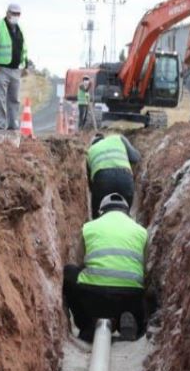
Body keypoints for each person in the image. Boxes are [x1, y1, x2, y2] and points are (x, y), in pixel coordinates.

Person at [63, 193, 148, 343]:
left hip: (94, 297)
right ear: (127, 214)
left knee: (69, 272)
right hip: (130, 296)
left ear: (101, 212)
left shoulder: (89, 228)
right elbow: (145, 268)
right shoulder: (142, 231)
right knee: (147, 284)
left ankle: (87, 325)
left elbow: (79, 261)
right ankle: (132, 320)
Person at [0, 3, 27, 134]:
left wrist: (25, 65)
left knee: (14, 99)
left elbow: (24, 49)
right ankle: (0, 126)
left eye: (17, 14)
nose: (15, 16)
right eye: (13, 13)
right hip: (1, 69)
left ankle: (12, 125)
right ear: (7, 13)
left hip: (15, 70)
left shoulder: (20, 30)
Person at [86, 133, 141, 219]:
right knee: (126, 215)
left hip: (102, 181)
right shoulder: (118, 138)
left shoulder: (89, 152)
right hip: (125, 179)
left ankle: (96, 223)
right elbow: (135, 158)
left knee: (97, 214)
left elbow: (91, 185)